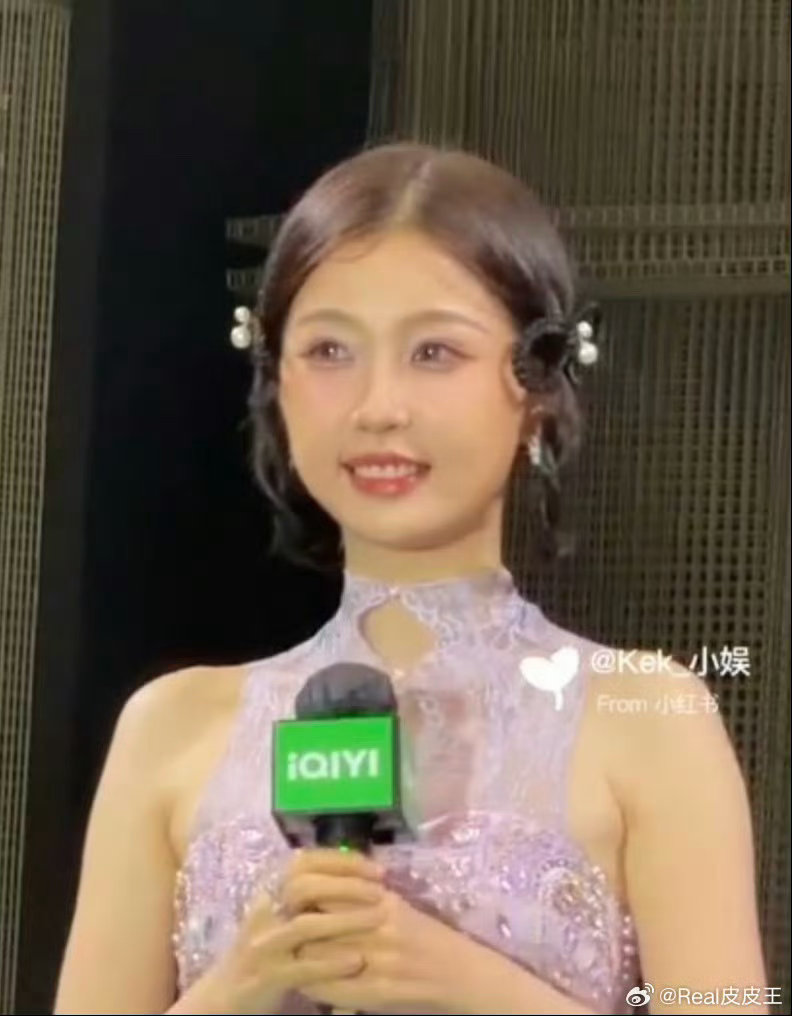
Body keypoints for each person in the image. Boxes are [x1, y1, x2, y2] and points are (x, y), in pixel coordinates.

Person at [54, 141, 769, 1016]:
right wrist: (240, 985)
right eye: (329, 350)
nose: (378, 406)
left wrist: (474, 985)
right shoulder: (169, 728)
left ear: (537, 389)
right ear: (276, 383)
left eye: (434, 352)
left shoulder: (649, 719)